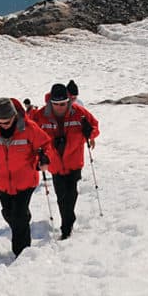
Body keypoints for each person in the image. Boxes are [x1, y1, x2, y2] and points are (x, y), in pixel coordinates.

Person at [0, 97, 52, 256]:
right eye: (0, 121)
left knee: (18, 217)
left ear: (14, 116)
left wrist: (43, 158)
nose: (4, 124)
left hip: (26, 181)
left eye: (7, 121)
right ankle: (22, 221)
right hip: (2, 182)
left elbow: (45, 144)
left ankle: (21, 254)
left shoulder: (28, 128)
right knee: (9, 214)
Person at [30, 82, 100, 238]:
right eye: (57, 104)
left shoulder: (79, 112)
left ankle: (68, 220)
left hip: (74, 160)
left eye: (64, 103)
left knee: (72, 193)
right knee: (62, 196)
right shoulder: (40, 116)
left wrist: (90, 133)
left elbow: (95, 126)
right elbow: (31, 134)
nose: (60, 107)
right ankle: (66, 227)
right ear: (51, 102)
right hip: (55, 163)